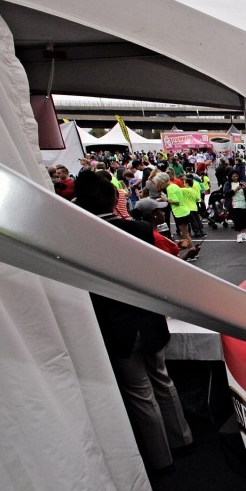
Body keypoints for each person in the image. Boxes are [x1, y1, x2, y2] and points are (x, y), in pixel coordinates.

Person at [74, 171, 192, 473]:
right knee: (163, 379)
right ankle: (182, 438)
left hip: (116, 326)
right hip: (150, 319)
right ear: (115, 199)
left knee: (140, 392)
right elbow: (168, 260)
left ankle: (160, 457)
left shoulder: (80, 237)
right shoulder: (140, 229)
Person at [227, 171, 246, 243]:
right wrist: (236, 189)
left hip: (243, 204)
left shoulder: (241, 183)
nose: (235, 178)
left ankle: (244, 234)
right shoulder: (228, 184)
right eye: (234, 176)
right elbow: (226, 193)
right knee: (237, 221)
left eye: (237, 176)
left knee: (244, 219)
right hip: (234, 205)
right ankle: (239, 235)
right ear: (231, 177)